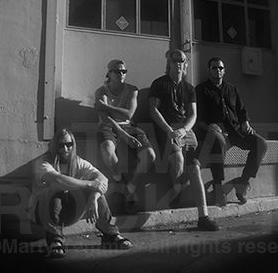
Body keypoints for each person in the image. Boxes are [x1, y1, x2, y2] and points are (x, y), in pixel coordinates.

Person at [32, 128, 133, 258]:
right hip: (43, 212)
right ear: (54, 145)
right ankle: (55, 240)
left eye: (69, 144)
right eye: (61, 145)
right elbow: (58, 179)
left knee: (96, 191)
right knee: (54, 190)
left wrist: (93, 197)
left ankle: (110, 235)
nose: (65, 149)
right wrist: (90, 184)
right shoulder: (43, 162)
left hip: (69, 211)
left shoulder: (78, 162)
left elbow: (103, 179)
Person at [148, 49, 219, 231]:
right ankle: (177, 190)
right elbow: (153, 110)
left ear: (185, 64)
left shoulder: (189, 88)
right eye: (175, 60)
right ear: (169, 63)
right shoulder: (158, 83)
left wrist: (183, 129)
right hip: (166, 129)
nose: (179, 62)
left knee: (195, 168)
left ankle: (203, 217)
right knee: (178, 158)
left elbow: (193, 114)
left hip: (185, 130)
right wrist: (170, 130)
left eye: (182, 60)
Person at [195, 57, 268, 206]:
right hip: (215, 132)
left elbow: (241, 109)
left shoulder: (232, 88)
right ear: (209, 70)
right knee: (219, 142)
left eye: (221, 68)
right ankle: (218, 187)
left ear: (224, 70)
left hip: (235, 131)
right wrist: (209, 127)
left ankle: (242, 184)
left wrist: (245, 122)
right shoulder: (201, 89)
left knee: (261, 144)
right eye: (214, 68)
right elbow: (198, 116)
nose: (218, 71)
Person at [94, 59, 156, 213]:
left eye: (123, 71)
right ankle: (120, 181)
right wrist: (122, 133)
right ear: (109, 73)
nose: (121, 74)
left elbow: (129, 113)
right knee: (108, 150)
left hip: (129, 126)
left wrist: (105, 106)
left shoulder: (132, 90)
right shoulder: (101, 91)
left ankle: (130, 187)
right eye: (116, 71)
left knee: (150, 155)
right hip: (108, 126)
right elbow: (106, 118)